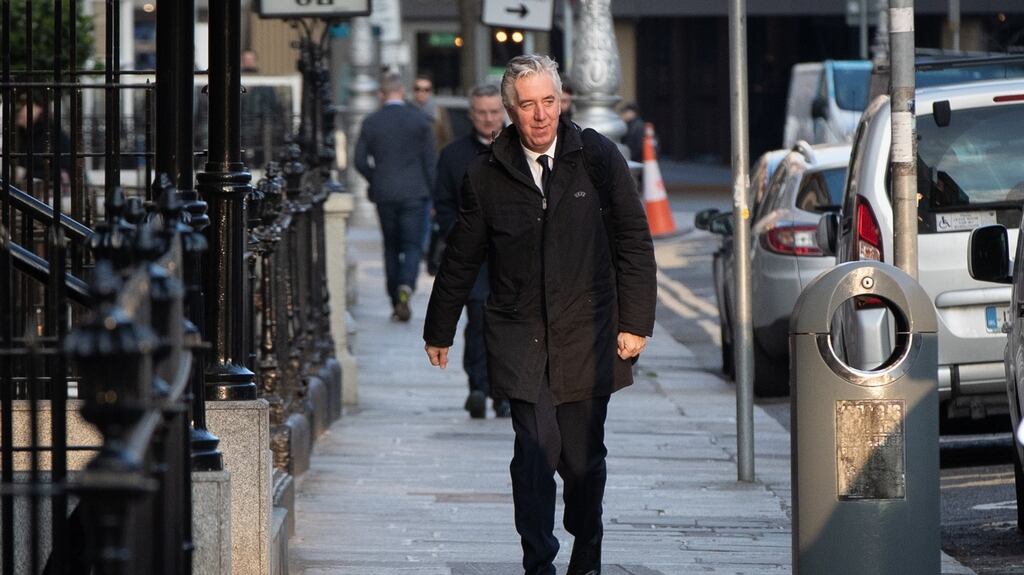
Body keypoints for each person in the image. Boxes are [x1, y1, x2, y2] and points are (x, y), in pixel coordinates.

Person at [422, 55, 656, 575]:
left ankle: (586, 549)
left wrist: (635, 323)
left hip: (589, 332)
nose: (541, 114)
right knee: (533, 451)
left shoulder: (596, 156)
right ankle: (538, 562)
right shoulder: (485, 174)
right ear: (510, 110)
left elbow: (634, 241)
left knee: (581, 461)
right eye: (528, 105)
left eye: (549, 101)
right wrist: (440, 328)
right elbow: (461, 256)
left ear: (561, 102)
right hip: (520, 335)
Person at [433, 84, 509, 419]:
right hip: (473, 257)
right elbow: (443, 205)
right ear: (471, 114)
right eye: (481, 112)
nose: (488, 118)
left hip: (514, 257)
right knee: (478, 320)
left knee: (508, 326)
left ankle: (504, 393)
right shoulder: (453, 155)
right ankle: (478, 387)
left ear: (504, 112)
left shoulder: (523, 150)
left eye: (494, 112)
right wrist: (461, 239)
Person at [355, 72, 436, 322]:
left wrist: (375, 177)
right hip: (415, 192)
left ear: (381, 94)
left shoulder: (371, 122)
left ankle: (394, 297)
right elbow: (430, 162)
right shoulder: (419, 120)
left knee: (391, 246)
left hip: (385, 193)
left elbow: (359, 160)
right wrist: (434, 194)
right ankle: (406, 285)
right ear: (402, 92)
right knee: (412, 245)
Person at [411, 73, 452, 153]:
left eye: (426, 90)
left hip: (434, 156)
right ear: (413, 90)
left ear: (431, 91)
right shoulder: (406, 111)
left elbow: (447, 138)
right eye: (417, 89)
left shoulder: (439, 112)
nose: (422, 92)